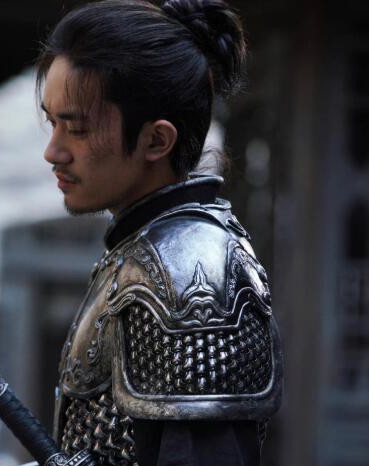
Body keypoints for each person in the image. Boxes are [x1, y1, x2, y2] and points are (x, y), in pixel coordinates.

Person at [36, 1, 283, 465]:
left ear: (156, 140)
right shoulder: (144, 252)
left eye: (77, 129)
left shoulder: (192, 274)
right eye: (53, 123)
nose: (54, 152)